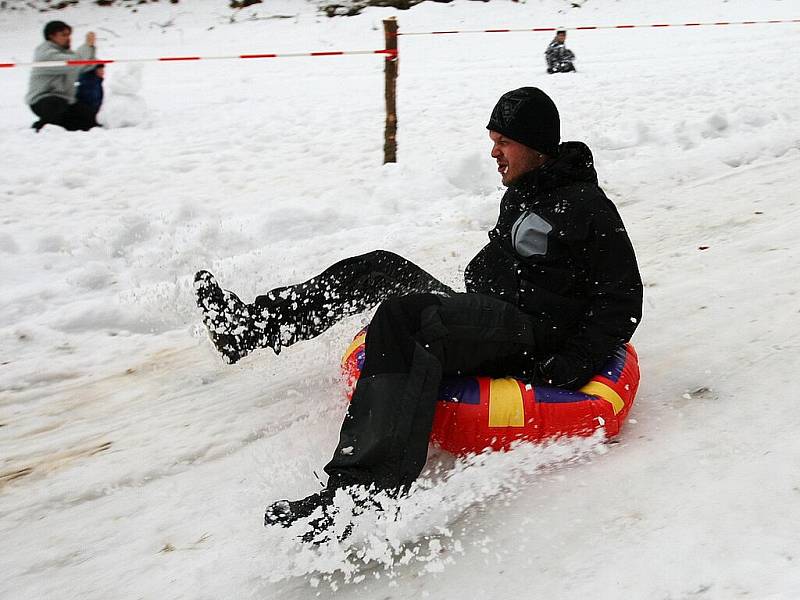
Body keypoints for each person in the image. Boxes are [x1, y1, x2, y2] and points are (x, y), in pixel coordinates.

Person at [194, 87, 643, 539]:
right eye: (493, 139)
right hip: (494, 314)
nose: (493, 152)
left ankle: (363, 496)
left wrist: (566, 364)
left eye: (503, 142)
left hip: (530, 333)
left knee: (405, 319)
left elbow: (622, 301)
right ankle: (248, 328)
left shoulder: (587, 207)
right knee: (380, 267)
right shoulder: (524, 191)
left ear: (536, 146)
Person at [26, 20, 100, 132]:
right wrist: (87, 47)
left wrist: (97, 66)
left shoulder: (66, 53)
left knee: (92, 120)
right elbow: (72, 63)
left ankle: (62, 125)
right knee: (55, 105)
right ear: (51, 36)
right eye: (64, 35)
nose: (68, 38)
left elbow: (78, 65)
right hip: (43, 100)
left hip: (66, 101)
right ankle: (41, 127)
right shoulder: (45, 53)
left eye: (69, 34)